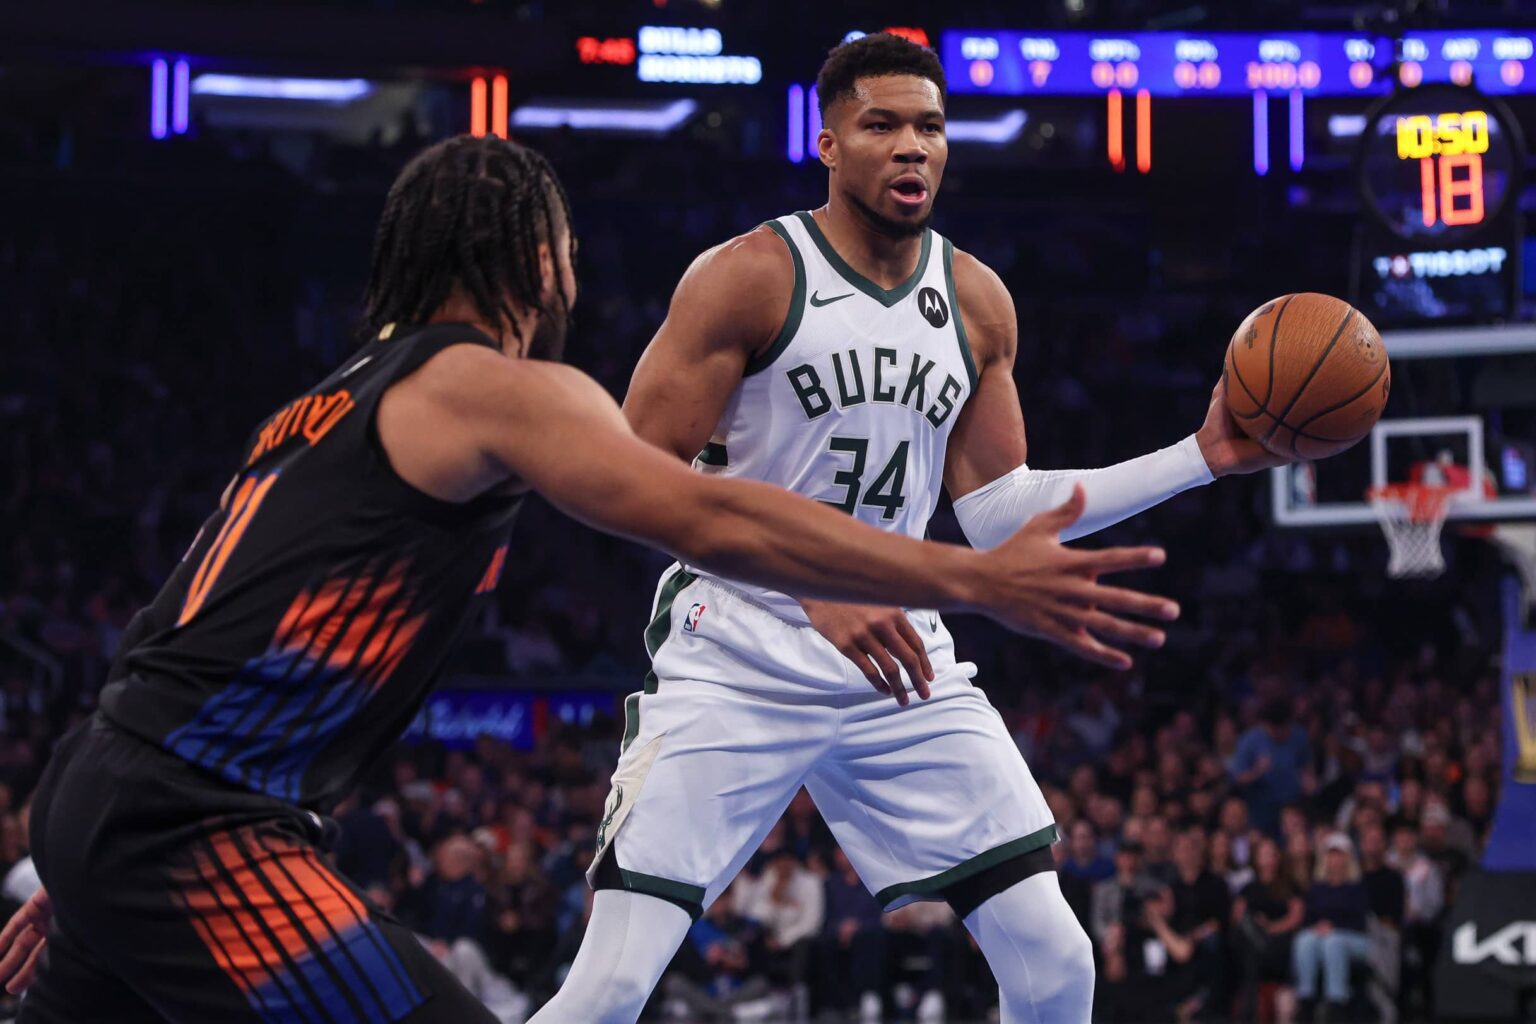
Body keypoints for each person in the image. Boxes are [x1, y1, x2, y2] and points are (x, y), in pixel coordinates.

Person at [0, 135, 1178, 1023]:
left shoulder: (335, 393)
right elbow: (708, 508)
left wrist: (90, 853)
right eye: (563, 250)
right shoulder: (498, 386)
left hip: (117, 794)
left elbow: (195, 617)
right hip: (190, 828)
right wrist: (968, 580)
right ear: (536, 257)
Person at [532, 31, 1284, 1024]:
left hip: (901, 662)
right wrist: (812, 583)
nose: (911, 146)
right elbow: (634, 479)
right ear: (829, 140)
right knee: (612, 985)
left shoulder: (975, 301)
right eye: (881, 124)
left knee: (1058, 961)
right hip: (740, 651)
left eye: (929, 125)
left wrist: (1199, 456)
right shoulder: (747, 276)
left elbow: (1002, 513)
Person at [1292, 833, 1372, 1022]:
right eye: (1330, 854)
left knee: (1333, 942)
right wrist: (1317, 927)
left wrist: (1334, 927)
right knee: (1304, 940)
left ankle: (1336, 1004)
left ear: (1348, 857)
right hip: (1322, 936)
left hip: (1356, 939)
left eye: (1339, 854)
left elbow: (1361, 922)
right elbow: (1307, 919)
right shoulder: (1317, 888)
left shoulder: (1357, 887)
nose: (1334, 859)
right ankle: (1306, 1000)